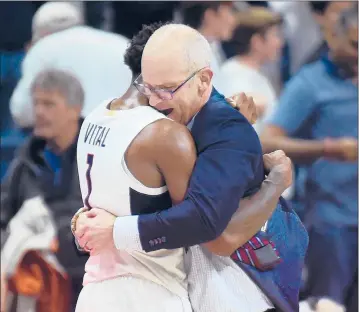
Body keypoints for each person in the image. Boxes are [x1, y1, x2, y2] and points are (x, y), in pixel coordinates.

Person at [75, 24, 308, 312]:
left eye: (167, 89)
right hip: (147, 289)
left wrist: (276, 185)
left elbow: (216, 235)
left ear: (203, 80)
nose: (156, 100)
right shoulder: (166, 127)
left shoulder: (103, 119)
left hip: (239, 293)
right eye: (150, 88)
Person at [261, 4, 358, 312]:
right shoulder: (309, 83)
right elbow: (266, 141)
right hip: (330, 225)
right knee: (328, 305)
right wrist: (326, 149)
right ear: (334, 36)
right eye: (355, 44)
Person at [1, 69, 88, 311]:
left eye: (49, 104)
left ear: (75, 109)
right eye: (36, 103)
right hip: (37, 282)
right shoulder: (26, 159)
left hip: (88, 278)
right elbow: (3, 214)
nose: (39, 112)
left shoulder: (98, 155)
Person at [10, 1, 131, 129]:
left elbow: (21, 112)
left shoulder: (43, 48)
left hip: (77, 138)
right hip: (128, 132)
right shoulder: (121, 43)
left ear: (41, 33)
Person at [217, 7, 283, 134]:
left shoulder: (259, 72)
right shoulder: (234, 75)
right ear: (257, 42)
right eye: (274, 35)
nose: (279, 42)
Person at [179, 1, 236, 86]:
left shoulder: (214, 47)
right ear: (210, 16)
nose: (233, 21)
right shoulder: (193, 53)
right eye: (229, 12)